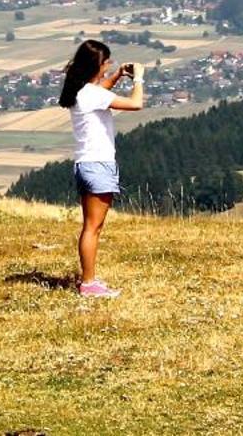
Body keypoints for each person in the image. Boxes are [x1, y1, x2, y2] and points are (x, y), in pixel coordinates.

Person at [60, 38, 144, 297]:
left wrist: (118, 75)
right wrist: (138, 79)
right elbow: (135, 104)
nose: (109, 65)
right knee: (93, 228)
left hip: (85, 164)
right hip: (98, 165)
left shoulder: (79, 91)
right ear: (96, 64)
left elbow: (102, 92)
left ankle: (89, 280)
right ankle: (89, 283)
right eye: (106, 62)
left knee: (89, 226)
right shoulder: (92, 94)